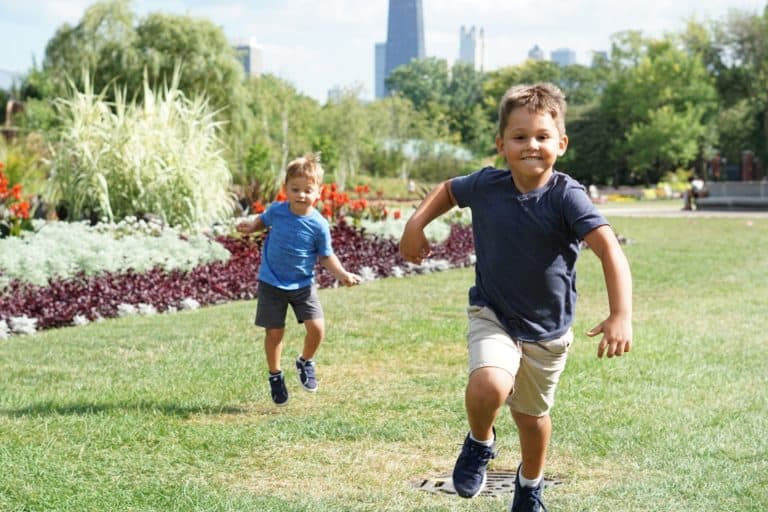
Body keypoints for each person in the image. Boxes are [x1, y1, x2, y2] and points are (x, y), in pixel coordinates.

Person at [399, 83, 633, 511]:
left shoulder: (567, 196)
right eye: (520, 137)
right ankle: (480, 442)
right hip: (494, 312)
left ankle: (530, 485)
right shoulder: (488, 185)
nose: (531, 146)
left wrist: (621, 313)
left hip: (549, 330)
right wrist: (416, 224)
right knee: (489, 383)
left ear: (561, 144)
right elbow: (450, 190)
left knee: (530, 418)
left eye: (543, 137)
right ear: (501, 144)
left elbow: (608, 248)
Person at [237, 154, 361, 406]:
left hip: (303, 285)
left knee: (317, 329)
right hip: (271, 283)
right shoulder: (277, 212)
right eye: (295, 189)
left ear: (318, 192)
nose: (301, 195)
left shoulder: (318, 225)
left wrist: (343, 275)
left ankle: (305, 361)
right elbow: (263, 221)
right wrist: (251, 227)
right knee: (274, 333)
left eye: (307, 190)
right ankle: (275, 375)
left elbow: (326, 256)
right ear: (286, 189)